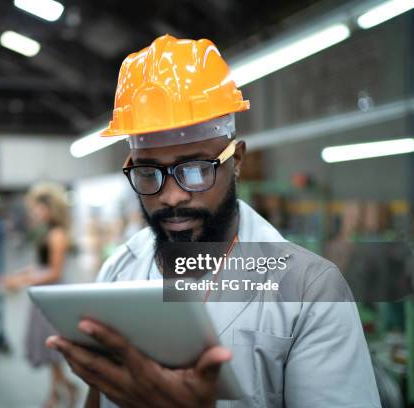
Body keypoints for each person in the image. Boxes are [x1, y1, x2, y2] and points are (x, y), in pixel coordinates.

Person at [46, 35, 381, 407]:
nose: (171, 196)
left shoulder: (309, 292)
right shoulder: (120, 270)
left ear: (235, 160)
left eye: (193, 170)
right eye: (148, 172)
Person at [2, 182, 78, 408]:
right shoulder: (47, 233)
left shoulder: (57, 235)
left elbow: (54, 272)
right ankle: (62, 390)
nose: (35, 213)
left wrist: (22, 281)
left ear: (50, 208)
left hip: (53, 295)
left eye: (38, 208)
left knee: (53, 348)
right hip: (45, 294)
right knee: (49, 349)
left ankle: (56, 395)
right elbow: (41, 266)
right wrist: (19, 275)